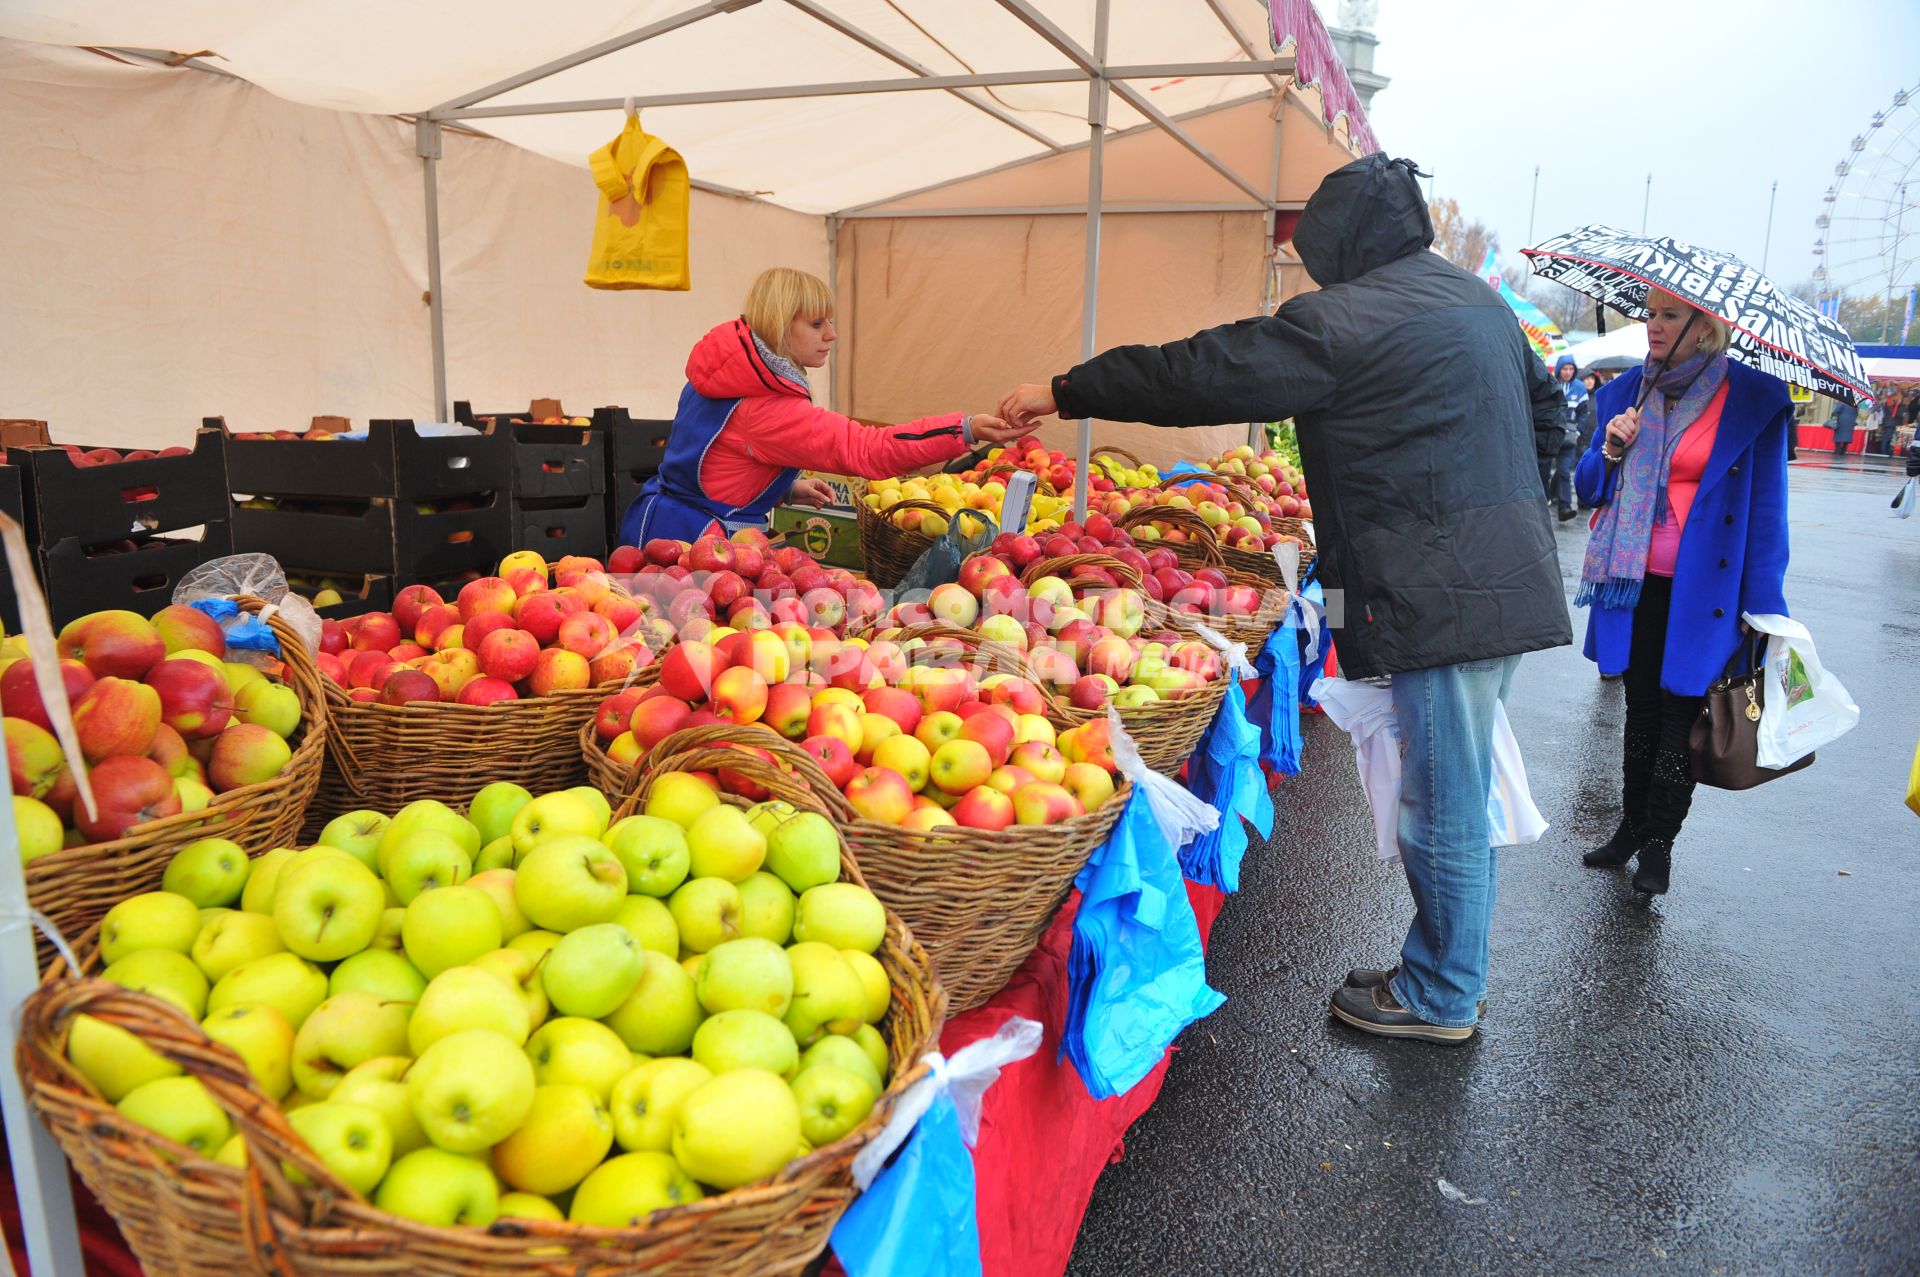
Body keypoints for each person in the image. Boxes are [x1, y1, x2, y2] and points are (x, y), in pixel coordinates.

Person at [996, 153, 1572, 1046]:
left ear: (1344, 243)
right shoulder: (1478, 302)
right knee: (1457, 784)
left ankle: (1443, 992)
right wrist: (1503, 504)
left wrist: (1064, 389)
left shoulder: (1344, 320)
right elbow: (1550, 418)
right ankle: (1448, 971)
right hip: (1493, 583)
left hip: (1435, 595)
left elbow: (1200, 373)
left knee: (1445, 798)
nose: (1312, 270)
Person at [1573, 287, 1792, 896]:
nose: (1653, 326)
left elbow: (1768, 511)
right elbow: (1588, 488)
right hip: (1632, 583)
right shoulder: (1624, 395)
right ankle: (1630, 828)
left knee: (1679, 717)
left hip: (1709, 591)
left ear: (1705, 326)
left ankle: (1659, 848)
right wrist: (1612, 448)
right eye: (1649, 314)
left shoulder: (1753, 400)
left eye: (1669, 315)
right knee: (1639, 711)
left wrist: (1765, 605)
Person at [618, 267, 1025, 545]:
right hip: (705, 549)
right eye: (816, 324)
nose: (832, 334)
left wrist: (782, 488)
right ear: (779, 324)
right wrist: (966, 429)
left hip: (658, 530)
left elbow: (714, 461)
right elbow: (871, 450)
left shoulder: (720, 375)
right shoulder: (770, 409)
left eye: (829, 321)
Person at [1549, 355, 1593, 520]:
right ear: (1559, 369)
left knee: (1565, 471)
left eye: (1571, 369)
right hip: (1551, 434)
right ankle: (1549, 495)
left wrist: (1578, 431)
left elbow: (1583, 412)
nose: (1567, 372)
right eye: (1564, 369)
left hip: (1569, 436)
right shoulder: (1550, 385)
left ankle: (1564, 506)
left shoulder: (1580, 388)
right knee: (1547, 470)